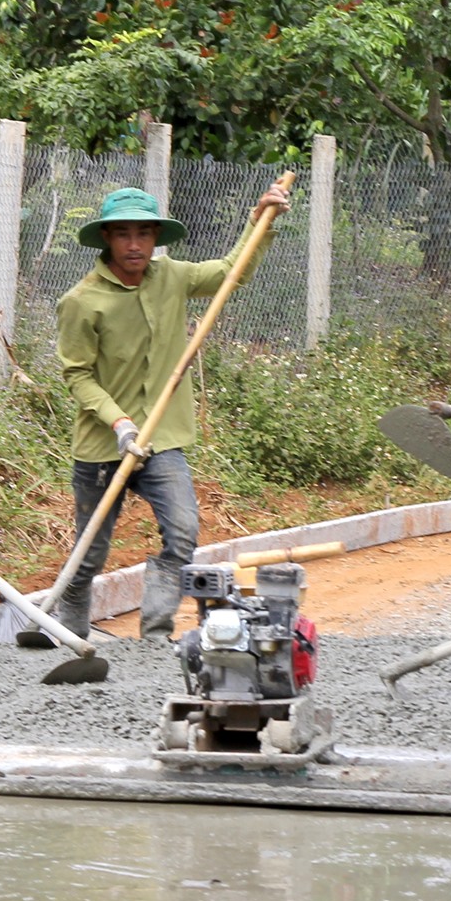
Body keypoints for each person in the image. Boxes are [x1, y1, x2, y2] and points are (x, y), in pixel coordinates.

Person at [51, 182, 291, 641]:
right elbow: (78, 376)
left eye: (144, 233)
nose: (135, 244)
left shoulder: (173, 278)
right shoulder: (82, 302)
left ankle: (156, 633)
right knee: (90, 553)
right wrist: (119, 422)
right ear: (107, 239)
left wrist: (261, 221)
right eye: (123, 234)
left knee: (182, 534)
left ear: (157, 237)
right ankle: (70, 635)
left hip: (161, 439)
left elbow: (229, 273)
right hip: (104, 445)